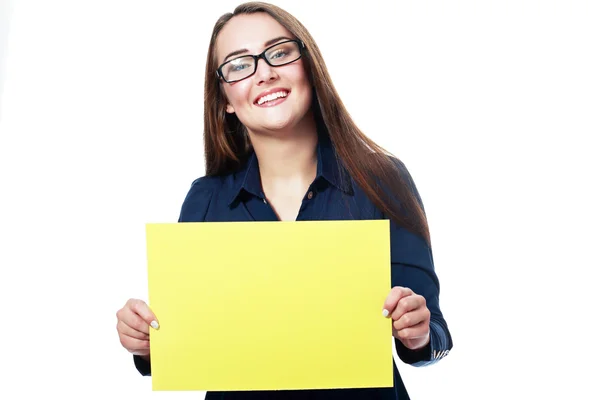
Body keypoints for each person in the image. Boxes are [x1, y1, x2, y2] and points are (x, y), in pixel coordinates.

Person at [115, 2, 453, 399]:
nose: (264, 72)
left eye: (278, 52)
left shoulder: (381, 180)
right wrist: (147, 343)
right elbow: (189, 338)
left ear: (308, 66)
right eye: (239, 65)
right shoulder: (205, 201)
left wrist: (417, 333)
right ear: (224, 98)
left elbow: (437, 340)